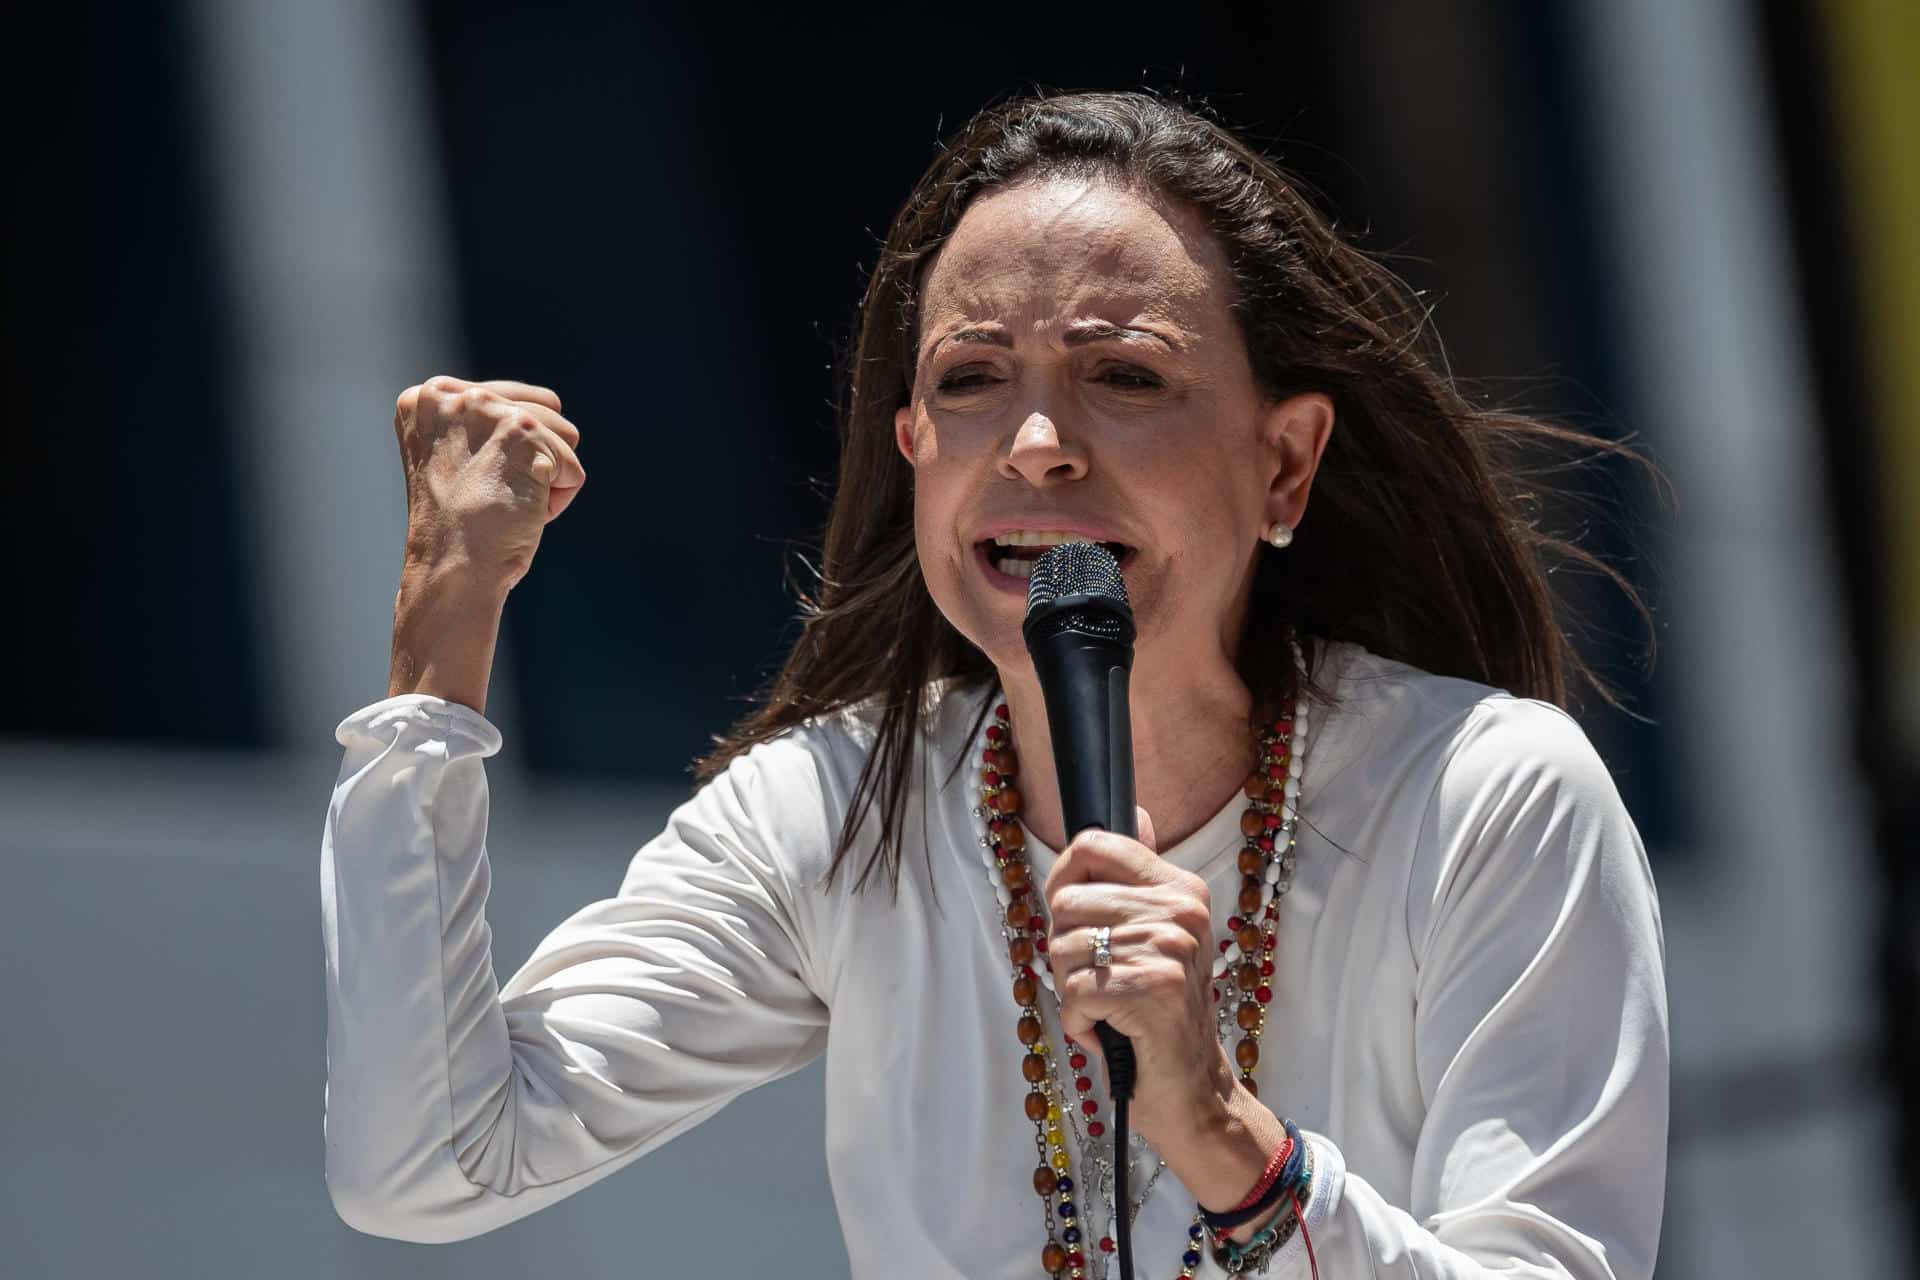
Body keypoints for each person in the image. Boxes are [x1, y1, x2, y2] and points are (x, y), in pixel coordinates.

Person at [322, 91, 1668, 1279]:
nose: (1034, 446)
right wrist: (443, 625)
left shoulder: (1487, 796)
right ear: (914, 446)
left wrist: (1226, 1139)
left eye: (1124, 376)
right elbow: (427, 1165)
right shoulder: (836, 809)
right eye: (971, 380)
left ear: (1285, 465)